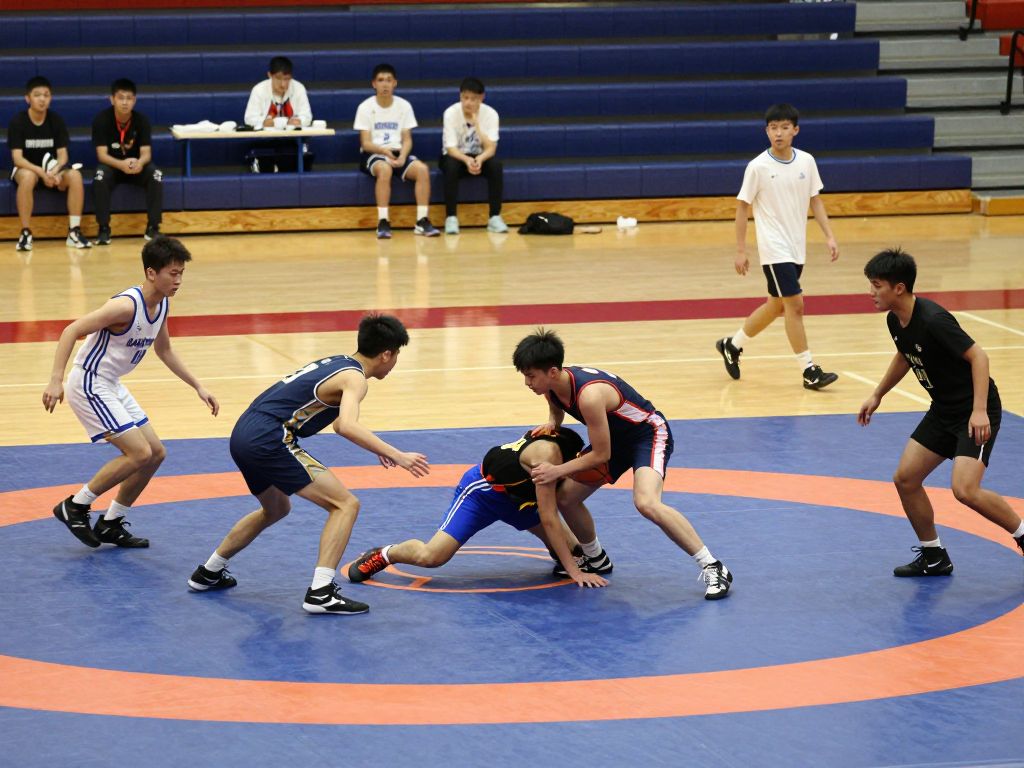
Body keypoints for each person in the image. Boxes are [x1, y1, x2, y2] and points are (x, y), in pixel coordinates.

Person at [187, 314, 430, 615]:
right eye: (396, 356)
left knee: (276, 508)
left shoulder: (338, 362)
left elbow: (346, 423)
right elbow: (345, 426)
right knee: (345, 505)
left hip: (244, 432)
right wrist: (397, 454)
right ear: (386, 354)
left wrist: (376, 447)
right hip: (269, 437)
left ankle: (209, 572)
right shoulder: (355, 379)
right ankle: (321, 592)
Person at [513, 329, 734, 600]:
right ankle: (596, 558)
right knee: (566, 498)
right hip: (615, 438)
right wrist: (553, 423)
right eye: (524, 375)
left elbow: (601, 456)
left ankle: (713, 565)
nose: (527, 382)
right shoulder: (553, 387)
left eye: (531, 376)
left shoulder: (589, 396)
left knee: (647, 503)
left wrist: (556, 470)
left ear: (553, 372)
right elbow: (557, 407)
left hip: (647, 435)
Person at [42, 236, 219, 549]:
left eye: (181, 273)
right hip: (89, 381)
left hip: (111, 383)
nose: (178, 280)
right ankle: (76, 505)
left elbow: (165, 351)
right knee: (138, 452)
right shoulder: (125, 305)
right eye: (172, 273)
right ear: (152, 273)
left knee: (156, 454)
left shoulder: (161, 303)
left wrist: (198, 386)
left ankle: (111, 522)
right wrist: (55, 380)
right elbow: (71, 330)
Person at [858, 248, 1024, 575]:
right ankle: (934, 556)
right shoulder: (896, 319)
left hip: (973, 410)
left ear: (899, 288)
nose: (871, 292)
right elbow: (906, 355)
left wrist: (979, 412)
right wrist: (878, 394)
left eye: (877, 285)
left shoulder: (934, 320)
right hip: (943, 410)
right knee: (905, 479)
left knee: (965, 490)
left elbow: (979, 357)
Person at [345, 426, 610, 589]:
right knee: (431, 557)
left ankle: (581, 558)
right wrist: (575, 573)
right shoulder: (548, 457)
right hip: (482, 494)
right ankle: (385, 554)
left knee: (576, 553)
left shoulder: (553, 438)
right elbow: (549, 516)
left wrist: (583, 557)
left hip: (519, 500)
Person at [715, 103, 839, 391]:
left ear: (795, 130)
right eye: (773, 128)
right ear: (766, 131)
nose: (778, 133)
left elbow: (815, 200)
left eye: (784, 127)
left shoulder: (806, 161)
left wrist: (829, 236)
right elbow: (741, 207)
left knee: (776, 306)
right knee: (795, 305)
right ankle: (809, 371)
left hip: (797, 248)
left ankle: (732, 346)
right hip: (774, 249)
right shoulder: (757, 167)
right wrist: (741, 250)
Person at [353, 63, 439, 239]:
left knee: (422, 170)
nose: (385, 84)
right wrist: (384, 152)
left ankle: (422, 221)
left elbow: (407, 139)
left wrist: (403, 157)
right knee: (385, 169)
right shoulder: (365, 107)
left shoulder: (404, 106)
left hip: (397, 151)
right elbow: (366, 143)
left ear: (395, 84)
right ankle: (383, 222)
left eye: (389, 80)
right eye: (381, 80)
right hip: (374, 153)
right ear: (373, 84)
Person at [7, 76, 91, 251]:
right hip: (27, 169)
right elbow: (18, 158)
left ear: (50, 98)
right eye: (37, 95)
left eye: (46, 95)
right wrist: (40, 172)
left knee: (75, 175)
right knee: (28, 177)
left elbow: (63, 156)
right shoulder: (18, 122)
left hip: (51, 171)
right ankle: (25, 233)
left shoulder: (56, 120)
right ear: (27, 98)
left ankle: (74, 232)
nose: (42, 99)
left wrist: (55, 171)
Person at [92, 78, 163, 244]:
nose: (125, 102)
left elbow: (146, 153)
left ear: (135, 100)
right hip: (113, 166)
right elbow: (101, 155)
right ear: (112, 99)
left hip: (135, 167)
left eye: (129, 98)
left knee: (157, 175)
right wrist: (121, 165)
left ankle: (153, 227)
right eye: (120, 98)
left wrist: (139, 163)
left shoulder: (142, 121)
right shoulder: (101, 120)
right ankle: (103, 228)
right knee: (100, 177)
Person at [438, 77, 507, 235]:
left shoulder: (491, 114)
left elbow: (491, 148)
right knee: (450, 166)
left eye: (473, 99)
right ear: (460, 96)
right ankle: (451, 217)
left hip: (479, 156)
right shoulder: (450, 113)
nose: (468, 103)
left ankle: (495, 217)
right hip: (457, 157)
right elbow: (450, 148)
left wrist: (477, 126)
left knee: (496, 166)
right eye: (465, 98)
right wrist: (467, 160)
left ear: (482, 98)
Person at [244, 56, 313, 130]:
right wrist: (263, 122)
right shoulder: (259, 89)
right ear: (270, 75)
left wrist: (299, 121)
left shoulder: (299, 88)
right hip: (265, 138)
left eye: (287, 79)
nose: (283, 84)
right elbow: (249, 119)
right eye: (278, 78)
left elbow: (307, 117)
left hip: (291, 137)